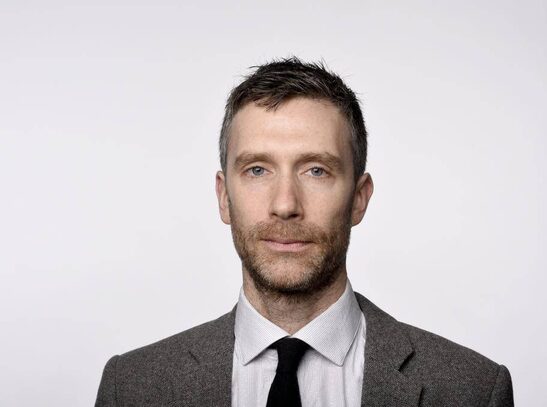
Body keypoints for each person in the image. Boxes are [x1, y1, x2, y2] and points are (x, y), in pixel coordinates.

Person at [95, 57, 514, 407]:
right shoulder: (130, 389)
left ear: (359, 199)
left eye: (316, 170)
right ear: (224, 197)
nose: (285, 204)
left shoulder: (473, 392)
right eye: (257, 170)